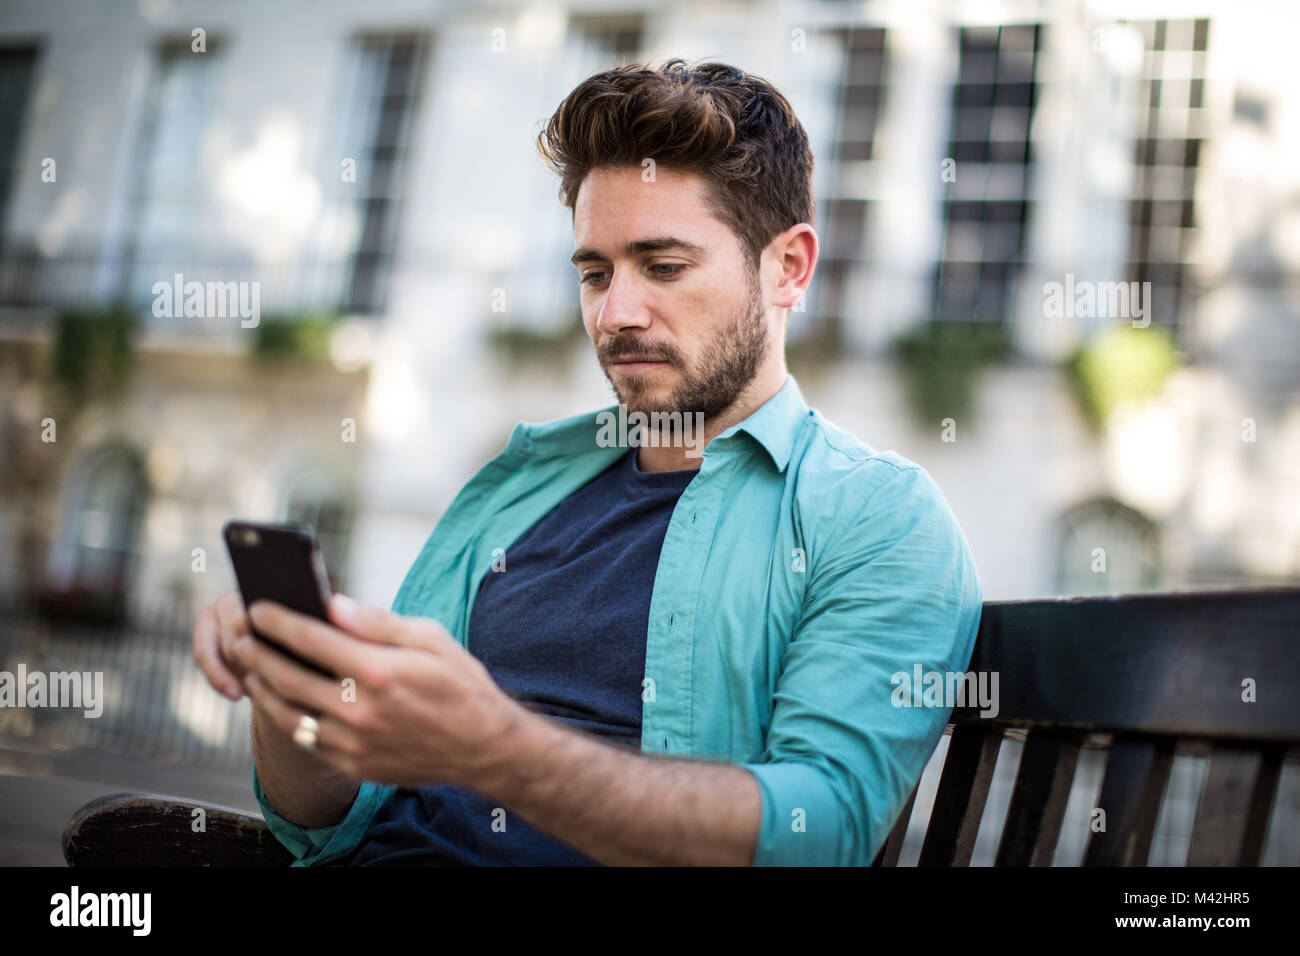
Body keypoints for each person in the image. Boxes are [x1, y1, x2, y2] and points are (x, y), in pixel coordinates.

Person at [192, 58, 983, 866]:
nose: (617, 314)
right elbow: (322, 821)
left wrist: (499, 750)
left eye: (664, 267)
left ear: (789, 268)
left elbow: (824, 829)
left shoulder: (877, 519)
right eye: (595, 273)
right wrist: (287, 689)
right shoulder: (521, 489)